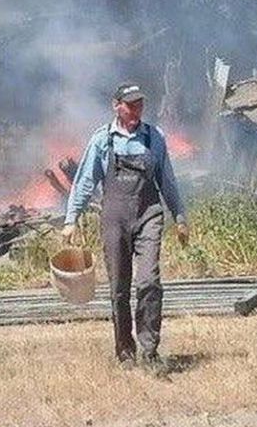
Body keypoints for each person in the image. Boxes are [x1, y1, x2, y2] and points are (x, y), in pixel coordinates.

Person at [61, 83, 188, 372]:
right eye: (130, 105)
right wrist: (71, 219)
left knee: (149, 282)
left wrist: (179, 216)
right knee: (119, 288)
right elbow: (84, 182)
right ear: (116, 105)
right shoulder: (102, 140)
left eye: (139, 104)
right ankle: (124, 350)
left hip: (149, 215)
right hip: (114, 218)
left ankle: (149, 350)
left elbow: (167, 181)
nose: (136, 110)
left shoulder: (154, 137)